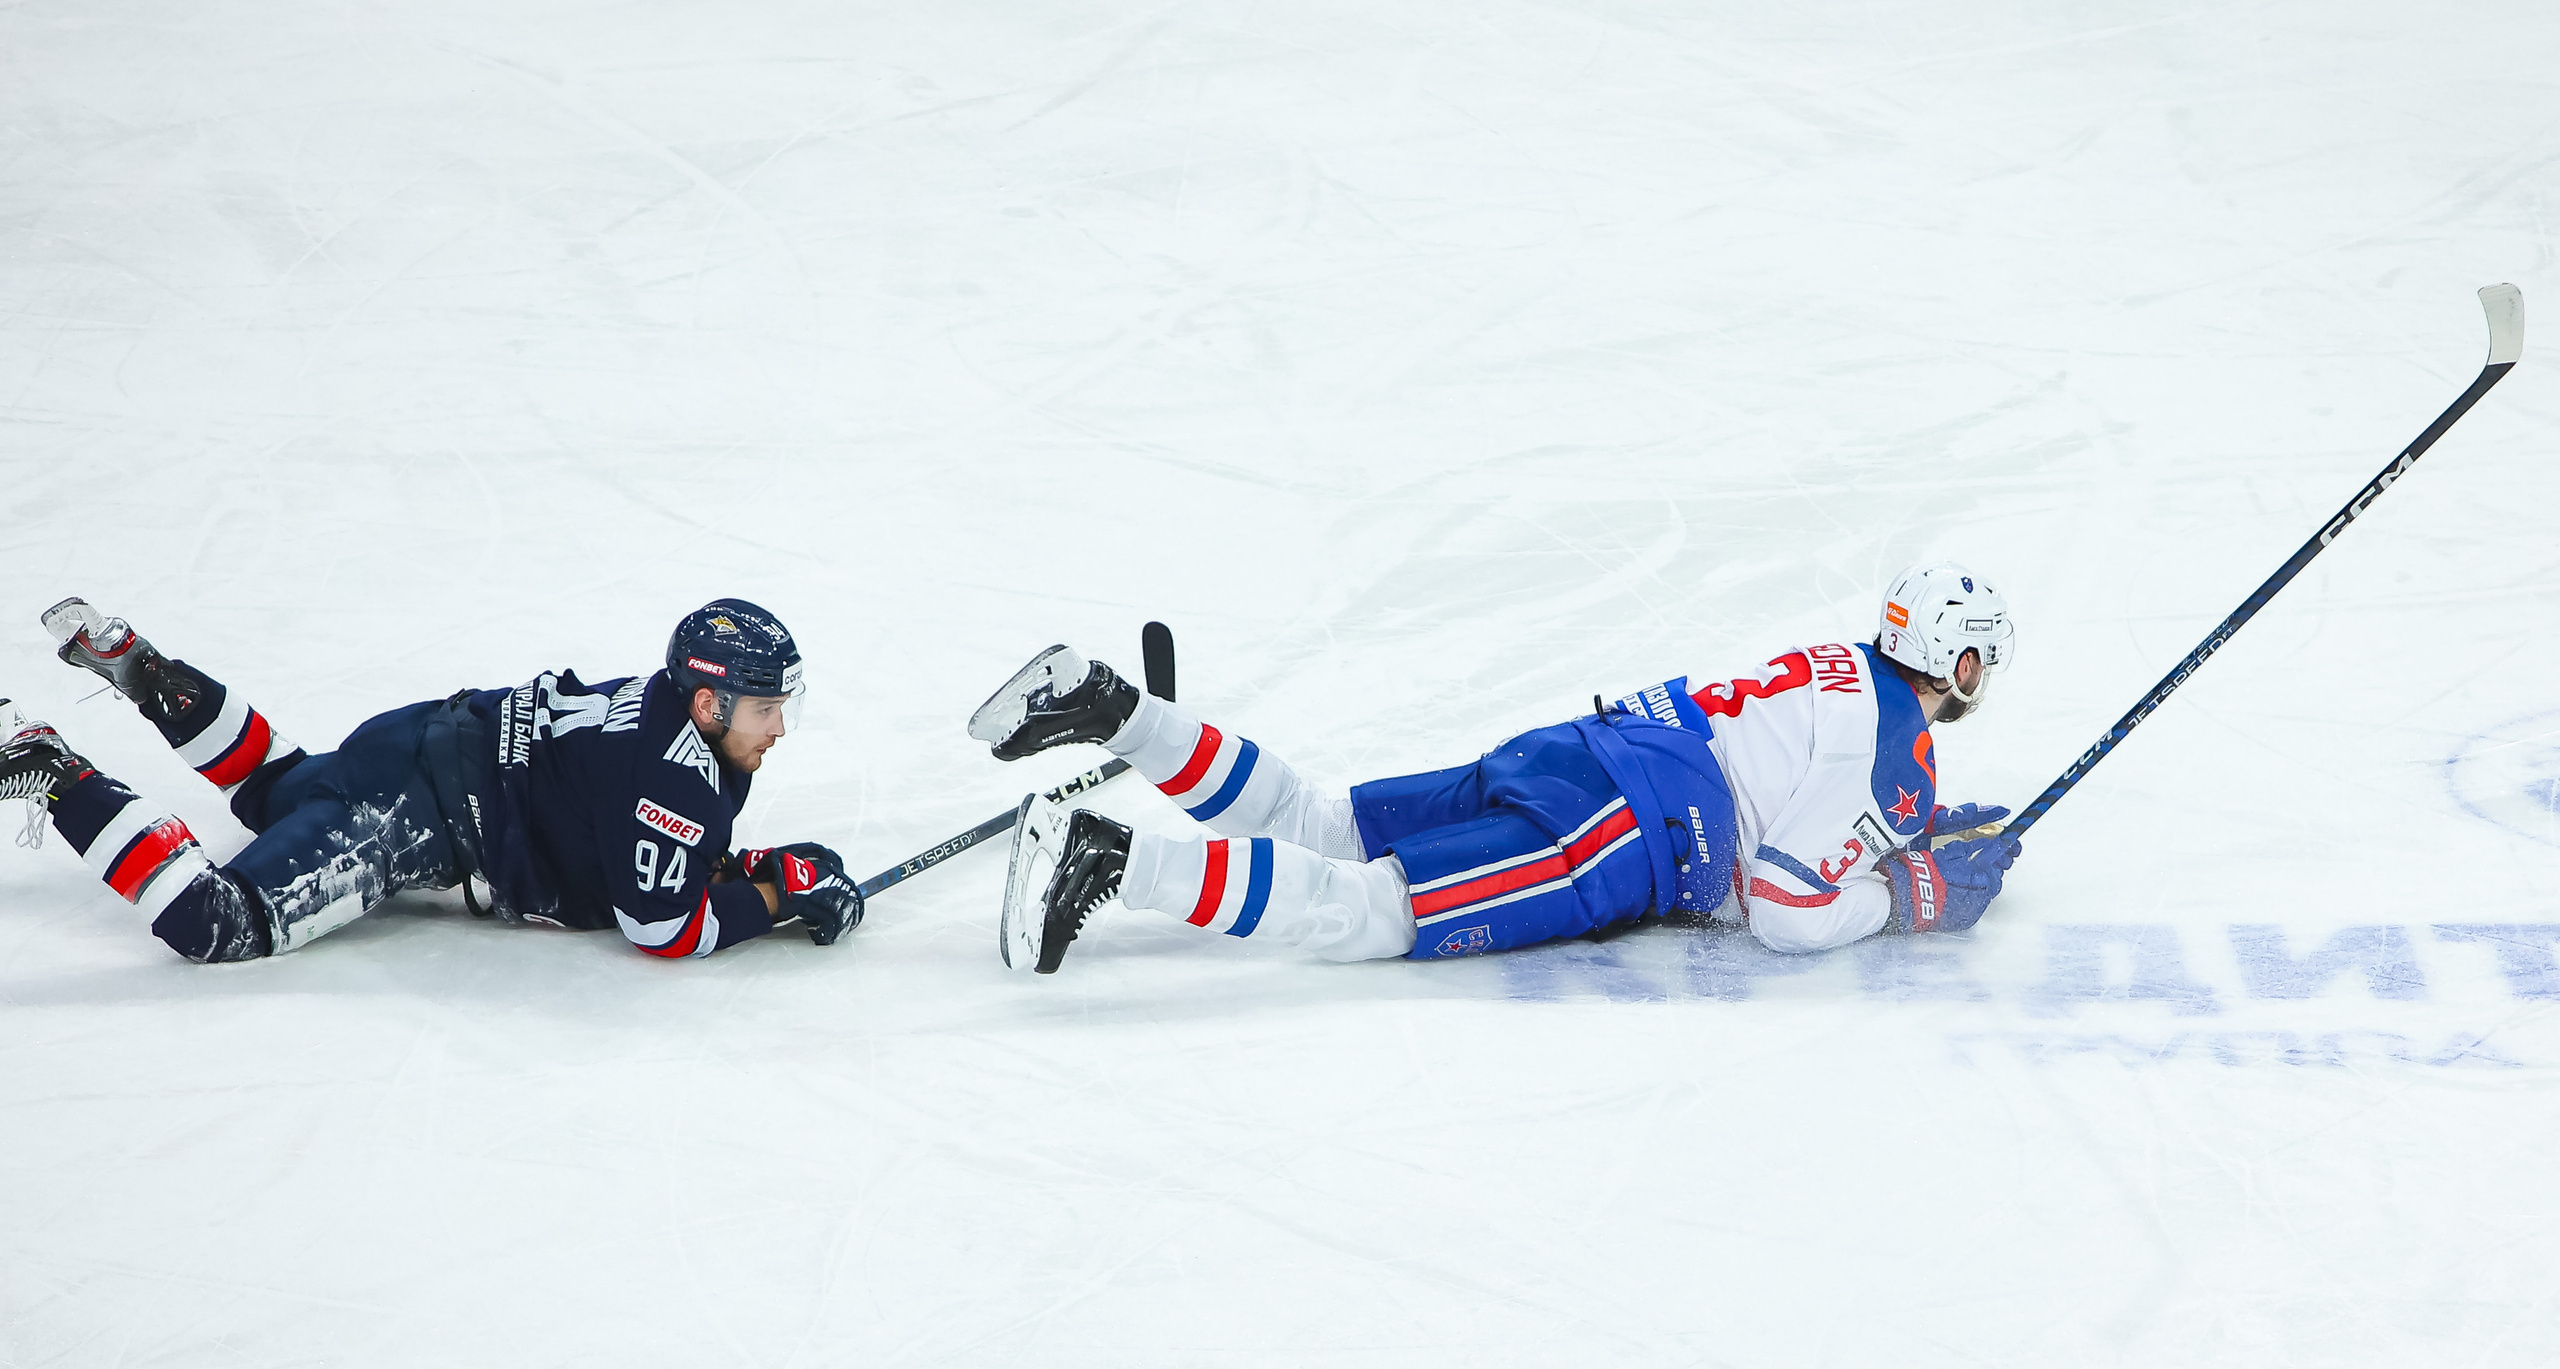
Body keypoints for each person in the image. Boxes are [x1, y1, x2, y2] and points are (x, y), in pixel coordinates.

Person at [972, 562, 2023, 973]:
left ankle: (1115, 708)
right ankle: (1112, 860)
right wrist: (1903, 892)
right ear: (1964, 663)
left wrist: (1890, 840)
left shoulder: (1841, 666)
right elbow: (1787, 908)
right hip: (1626, 831)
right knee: (1373, 911)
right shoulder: (1900, 753)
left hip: (1582, 750)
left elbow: (1790, 789)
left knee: (1323, 820)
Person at [0, 597, 862, 962]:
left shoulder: (669, 711)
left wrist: (758, 869)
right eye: (765, 709)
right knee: (221, 924)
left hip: (416, 739)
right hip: (405, 815)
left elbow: (633, 837)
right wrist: (775, 900)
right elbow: (663, 927)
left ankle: (144, 668)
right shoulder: (675, 775)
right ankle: (53, 771)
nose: (779, 727)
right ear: (710, 701)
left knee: (277, 789)